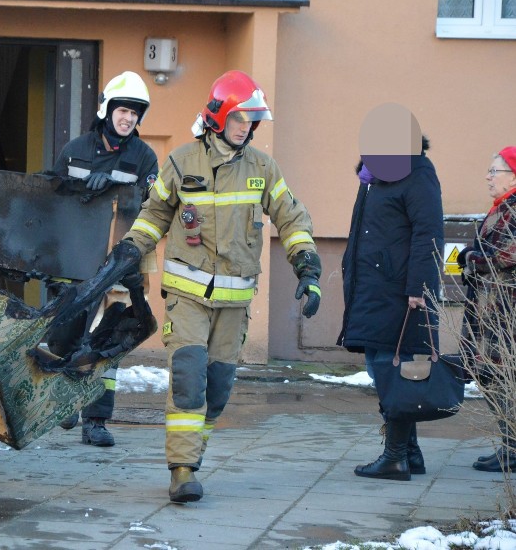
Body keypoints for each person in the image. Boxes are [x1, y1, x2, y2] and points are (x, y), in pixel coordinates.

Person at [108, 70, 321, 502]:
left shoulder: (263, 168)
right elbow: (153, 215)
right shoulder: (182, 162)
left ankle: (194, 451)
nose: (247, 126)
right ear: (219, 117)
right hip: (187, 297)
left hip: (234, 302)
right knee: (188, 377)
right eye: (240, 117)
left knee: (218, 389)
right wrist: (130, 249)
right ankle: (182, 470)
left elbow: (291, 218)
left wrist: (308, 266)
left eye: (252, 119)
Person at [47, 70, 159, 448]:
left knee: (105, 341)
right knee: (66, 337)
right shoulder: (74, 150)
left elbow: (152, 209)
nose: (128, 118)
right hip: (75, 259)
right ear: (107, 110)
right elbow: (54, 203)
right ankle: (66, 400)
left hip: (120, 261)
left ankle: (95, 420)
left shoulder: (145, 157)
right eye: (123, 110)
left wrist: (113, 182)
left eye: (135, 112)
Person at [337, 131, 444, 481]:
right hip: (372, 289)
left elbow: (428, 232)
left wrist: (420, 287)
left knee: (394, 371)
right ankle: (409, 453)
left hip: (401, 293)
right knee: (381, 369)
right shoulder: (372, 178)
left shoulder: (418, 172)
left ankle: (395, 457)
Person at [457, 146, 516, 473]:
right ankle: (510, 446)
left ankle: (513, 449)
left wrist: (471, 259)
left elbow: (505, 255)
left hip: (506, 314)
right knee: (492, 378)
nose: (488, 176)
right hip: (492, 312)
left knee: (504, 380)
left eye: (495, 170)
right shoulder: (503, 207)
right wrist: (470, 256)